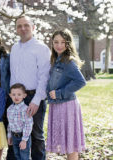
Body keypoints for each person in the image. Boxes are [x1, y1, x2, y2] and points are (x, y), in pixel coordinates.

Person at [9, 15, 51, 160]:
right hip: (16, 98)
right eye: (19, 26)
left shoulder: (41, 48)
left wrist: (36, 100)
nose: (23, 28)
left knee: (36, 135)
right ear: (16, 30)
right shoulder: (14, 48)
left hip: (34, 96)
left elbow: (45, 76)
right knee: (16, 135)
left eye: (26, 25)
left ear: (33, 27)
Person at [46, 29, 86, 160]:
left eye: (63, 42)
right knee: (67, 142)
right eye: (56, 42)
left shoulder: (68, 61)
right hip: (57, 105)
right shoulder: (55, 60)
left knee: (71, 144)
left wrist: (59, 93)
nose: (59, 45)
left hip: (67, 106)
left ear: (68, 44)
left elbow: (80, 81)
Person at [7, 83, 33, 160]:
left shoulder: (25, 109)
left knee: (24, 157)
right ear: (10, 95)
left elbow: (28, 125)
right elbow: (10, 124)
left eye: (19, 94)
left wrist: (24, 140)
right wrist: (9, 136)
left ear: (24, 95)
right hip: (14, 137)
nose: (16, 97)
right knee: (17, 156)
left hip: (23, 137)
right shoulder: (9, 109)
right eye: (14, 94)